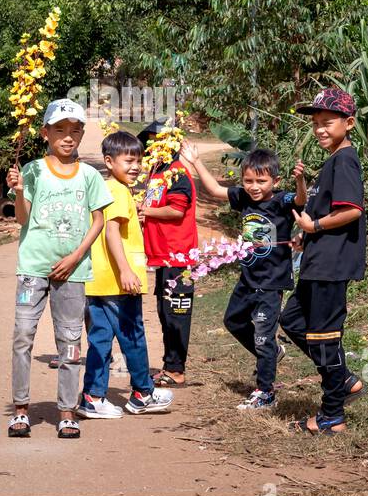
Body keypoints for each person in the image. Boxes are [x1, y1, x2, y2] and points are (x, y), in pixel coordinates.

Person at [5, 99, 110, 439]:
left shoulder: (90, 175)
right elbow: (22, 218)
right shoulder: (33, 171)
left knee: (70, 341)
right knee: (23, 336)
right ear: (45, 132)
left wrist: (76, 255)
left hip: (73, 271)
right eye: (60, 130)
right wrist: (20, 191)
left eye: (75, 131)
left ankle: (67, 411)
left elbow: (99, 219)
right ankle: (21, 409)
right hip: (32, 269)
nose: (68, 137)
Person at [181, 143, 306, 409]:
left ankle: (266, 392)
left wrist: (300, 181)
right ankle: (274, 352)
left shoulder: (281, 200)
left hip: (271, 283)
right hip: (247, 279)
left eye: (261, 181)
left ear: (275, 181)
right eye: (248, 180)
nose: (254, 186)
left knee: (263, 338)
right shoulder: (245, 198)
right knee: (233, 321)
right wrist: (195, 161)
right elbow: (215, 190)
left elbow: (300, 201)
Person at [283, 88, 367, 434]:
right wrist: (305, 235)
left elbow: (351, 211)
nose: (319, 129)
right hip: (318, 260)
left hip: (332, 264)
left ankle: (332, 414)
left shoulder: (345, 159)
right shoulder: (331, 161)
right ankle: (342, 378)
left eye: (327, 122)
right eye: (316, 123)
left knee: (324, 336)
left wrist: (313, 225)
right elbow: (324, 208)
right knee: (292, 321)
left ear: (348, 123)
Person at [78, 130, 174, 419]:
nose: (136, 167)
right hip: (119, 282)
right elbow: (111, 232)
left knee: (100, 339)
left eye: (139, 161)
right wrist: (126, 270)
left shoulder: (107, 188)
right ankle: (143, 393)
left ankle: (93, 397)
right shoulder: (118, 191)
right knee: (132, 335)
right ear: (109, 161)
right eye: (128, 161)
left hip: (99, 281)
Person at [136, 120, 198, 388]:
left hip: (179, 256)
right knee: (164, 312)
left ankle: (176, 369)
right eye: (150, 141)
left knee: (176, 313)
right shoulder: (156, 171)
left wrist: (146, 212)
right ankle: (169, 365)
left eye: (159, 140)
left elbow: (177, 210)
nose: (153, 146)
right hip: (162, 256)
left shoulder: (177, 172)